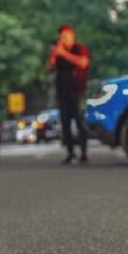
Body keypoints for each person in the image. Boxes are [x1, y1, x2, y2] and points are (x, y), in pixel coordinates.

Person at [47, 25, 91, 164]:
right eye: (62, 37)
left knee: (80, 120)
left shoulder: (79, 49)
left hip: (77, 90)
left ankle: (84, 152)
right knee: (65, 123)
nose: (65, 39)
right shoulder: (58, 52)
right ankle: (70, 152)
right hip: (62, 90)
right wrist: (55, 53)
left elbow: (83, 63)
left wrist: (64, 54)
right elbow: (50, 67)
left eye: (67, 36)